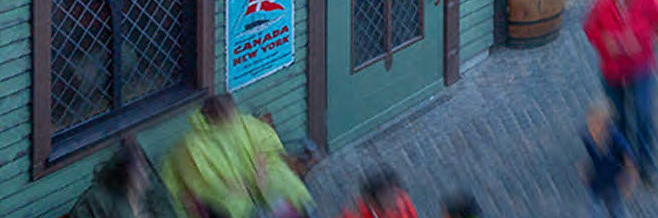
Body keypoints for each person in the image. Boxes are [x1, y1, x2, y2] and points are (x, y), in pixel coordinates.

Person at [161, 94, 311, 218]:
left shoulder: (243, 123)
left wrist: (263, 167)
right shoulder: (192, 144)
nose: (234, 119)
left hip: (256, 183)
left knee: (285, 185)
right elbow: (198, 181)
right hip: (222, 197)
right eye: (229, 116)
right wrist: (231, 186)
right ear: (214, 117)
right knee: (234, 206)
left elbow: (268, 143)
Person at [582, 0, 658, 180]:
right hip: (613, 70)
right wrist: (605, 44)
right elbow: (590, 29)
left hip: (641, 68)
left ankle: (646, 165)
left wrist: (644, 41)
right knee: (618, 119)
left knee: (643, 114)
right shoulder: (602, 2)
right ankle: (624, 161)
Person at [72, 138, 176, 218]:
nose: (144, 170)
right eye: (138, 166)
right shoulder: (96, 199)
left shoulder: (152, 194)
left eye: (144, 164)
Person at [580, 101, 639, 218]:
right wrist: (585, 169)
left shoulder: (617, 141)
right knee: (594, 211)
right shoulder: (587, 136)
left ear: (607, 125)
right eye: (590, 124)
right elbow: (590, 156)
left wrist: (630, 183)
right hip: (596, 183)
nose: (593, 129)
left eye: (597, 125)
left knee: (616, 210)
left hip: (614, 184)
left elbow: (630, 163)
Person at [335, 170, 414, 218]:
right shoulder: (353, 215)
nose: (396, 199)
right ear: (371, 200)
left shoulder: (401, 199)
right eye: (388, 195)